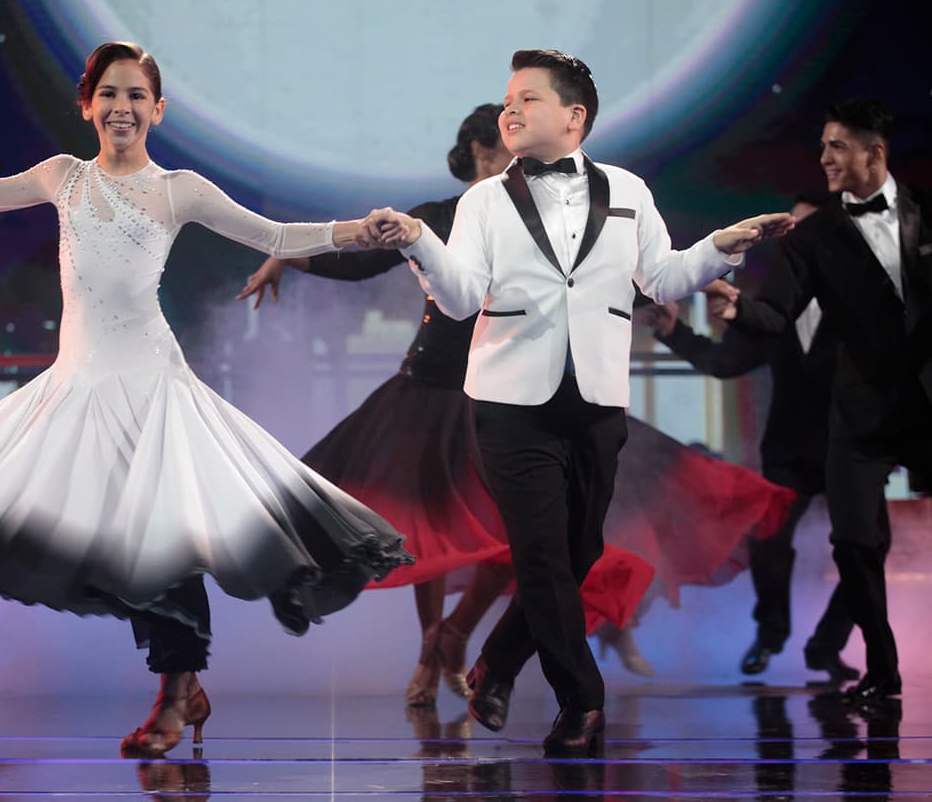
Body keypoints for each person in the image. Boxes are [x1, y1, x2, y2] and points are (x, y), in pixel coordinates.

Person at [0, 41, 413, 756]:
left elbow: (273, 234)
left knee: (157, 547)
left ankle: (174, 697)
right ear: (86, 106)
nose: (122, 107)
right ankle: (184, 684)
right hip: (75, 388)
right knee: (61, 536)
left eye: (136, 96)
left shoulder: (179, 188)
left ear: (157, 109)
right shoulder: (62, 176)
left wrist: (355, 231)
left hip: (153, 388)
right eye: (109, 95)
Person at [366, 49, 794, 752]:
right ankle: (584, 702)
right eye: (507, 99)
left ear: (575, 116)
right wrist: (418, 242)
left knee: (578, 551)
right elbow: (462, 295)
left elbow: (662, 277)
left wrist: (721, 246)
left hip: (596, 398)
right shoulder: (482, 201)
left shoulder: (629, 189)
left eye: (526, 99)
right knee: (538, 551)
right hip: (508, 402)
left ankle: (498, 662)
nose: (510, 109)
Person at [237, 104, 657, 707]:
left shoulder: (538, 218)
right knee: (428, 529)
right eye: (510, 144)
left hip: (508, 394)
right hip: (427, 397)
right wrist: (287, 254)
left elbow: (591, 284)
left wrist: (672, 287)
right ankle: (429, 650)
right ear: (484, 152)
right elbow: (360, 258)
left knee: (516, 533)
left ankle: (455, 634)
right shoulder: (436, 216)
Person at [731, 97, 931, 705]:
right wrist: (736, 305)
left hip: (926, 404)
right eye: (821, 146)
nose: (824, 159)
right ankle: (882, 668)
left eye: (837, 146)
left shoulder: (926, 214)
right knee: (854, 542)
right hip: (858, 414)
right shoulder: (812, 238)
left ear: (875, 153)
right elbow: (776, 314)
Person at [642, 192, 861, 683]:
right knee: (769, 540)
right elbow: (725, 363)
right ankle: (770, 633)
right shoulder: (769, 304)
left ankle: (827, 646)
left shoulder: (864, 301)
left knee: (865, 547)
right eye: (794, 234)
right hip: (790, 447)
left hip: (854, 449)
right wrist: (675, 332)